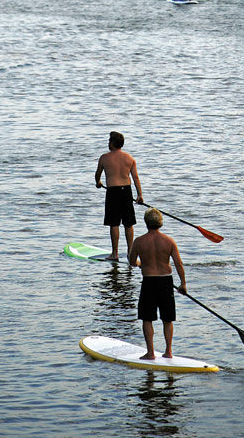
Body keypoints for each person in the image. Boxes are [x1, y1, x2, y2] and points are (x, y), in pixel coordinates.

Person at [129, 208, 187, 360]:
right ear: (160, 222)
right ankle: (168, 351)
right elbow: (179, 264)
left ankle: (151, 353)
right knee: (167, 319)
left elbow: (131, 261)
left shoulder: (139, 241)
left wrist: (140, 263)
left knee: (147, 318)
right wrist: (183, 284)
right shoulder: (169, 241)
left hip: (149, 281)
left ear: (146, 222)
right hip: (166, 281)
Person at [95, 132, 144, 261]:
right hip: (126, 191)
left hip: (113, 192)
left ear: (112, 143)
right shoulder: (129, 158)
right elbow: (135, 178)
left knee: (114, 223)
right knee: (128, 223)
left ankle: (115, 253)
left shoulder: (104, 158)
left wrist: (98, 183)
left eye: (109, 141)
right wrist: (140, 194)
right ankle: (130, 253)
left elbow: (98, 174)